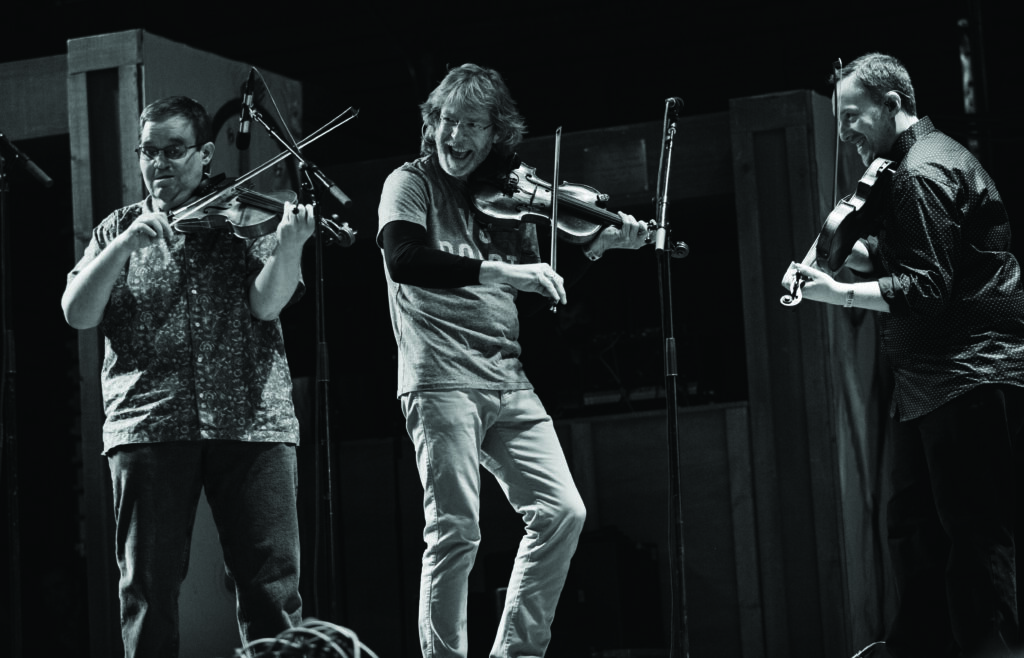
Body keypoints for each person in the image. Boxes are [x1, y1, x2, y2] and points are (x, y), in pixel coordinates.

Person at [377, 63, 650, 658]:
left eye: (472, 124)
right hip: (439, 375)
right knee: (456, 532)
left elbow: (545, 286)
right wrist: (499, 270)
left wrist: (598, 248)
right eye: (448, 120)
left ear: (495, 133)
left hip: (506, 377)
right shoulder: (410, 182)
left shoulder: (510, 195)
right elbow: (404, 258)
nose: (456, 136)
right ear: (432, 123)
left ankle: (516, 653)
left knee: (562, 512)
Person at [783, 53, 1024, 657]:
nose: (843, 133)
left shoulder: (920, 171)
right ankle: (918, 646)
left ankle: (990, 652)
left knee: (973, 538)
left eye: (851, 116)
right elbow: (905, 256)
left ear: (893, 105)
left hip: (969, 374)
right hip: (930, 381)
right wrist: (845, 257)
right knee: (912, 529)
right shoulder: (902, 168)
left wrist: (836, 292)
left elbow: (926, 288)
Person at [61, 96, 314, 658]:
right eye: (148, 152)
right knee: (147, 595)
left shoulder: (243, 219)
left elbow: (266, 303)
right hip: (149, 425)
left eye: (173, 151)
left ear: (204, 154)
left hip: (252, 421)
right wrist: (126, 246)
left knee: (271, 590)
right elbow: (78, 312)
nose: (159, 165)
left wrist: (291, 246)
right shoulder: (117, 229)